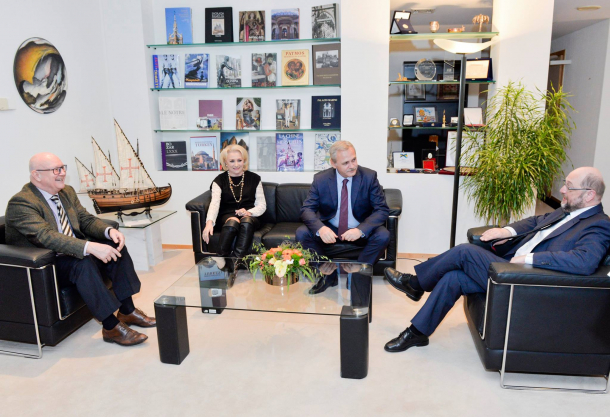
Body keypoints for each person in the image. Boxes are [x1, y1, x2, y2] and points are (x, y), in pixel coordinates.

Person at [383, 167, 610, 353]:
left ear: (589, 194)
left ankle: (415, 284)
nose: (561, 190)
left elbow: (584, 261)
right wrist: (506, 231)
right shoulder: (565, 210)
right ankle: (417, 333)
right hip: (510, 269)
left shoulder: (598, 224)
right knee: (454, 277)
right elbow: (534, 222)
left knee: (464, 252)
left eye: (569, 186)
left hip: (527, 281)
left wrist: (531, 258)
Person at [5, 153, 156, 346]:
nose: (62, 173)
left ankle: (127, 311)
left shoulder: (66, 192)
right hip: (47, 264)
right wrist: (89, 247)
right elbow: (45, 236)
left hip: (72, 252)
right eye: (56, 170)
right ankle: (111, 327)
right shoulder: (22, 203)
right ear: (37, 175)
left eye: (62, 168)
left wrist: (108, 231)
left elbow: (85, 219)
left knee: (114, 247)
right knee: (82, 262)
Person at [297, 141, 390, 293]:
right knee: (302, 233)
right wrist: (321, 229)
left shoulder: (369, 176)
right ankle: (327, 275)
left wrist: (360, 230)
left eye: (354, 160)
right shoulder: (321, 179)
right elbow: (306, 209)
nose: (352, 166)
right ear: (333, 163)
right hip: (332, 228)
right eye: (346, 163)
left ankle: (357, 275)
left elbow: (381, 209)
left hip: (358, 227)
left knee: (383, 235)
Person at [202, 144, 266, 259]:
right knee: (233, 222)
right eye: (232, 161)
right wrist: (209, 223)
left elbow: (262, 205)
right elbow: (215, 203)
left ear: (244, 161)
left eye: (239, 160)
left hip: (250, 215)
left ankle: (235, 261)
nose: (236, 164)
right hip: (227, 215)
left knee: (246, 221)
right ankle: (220, 259)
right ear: (225, 162)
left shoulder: (255, 178)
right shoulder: (219, 180)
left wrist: (249, 212)